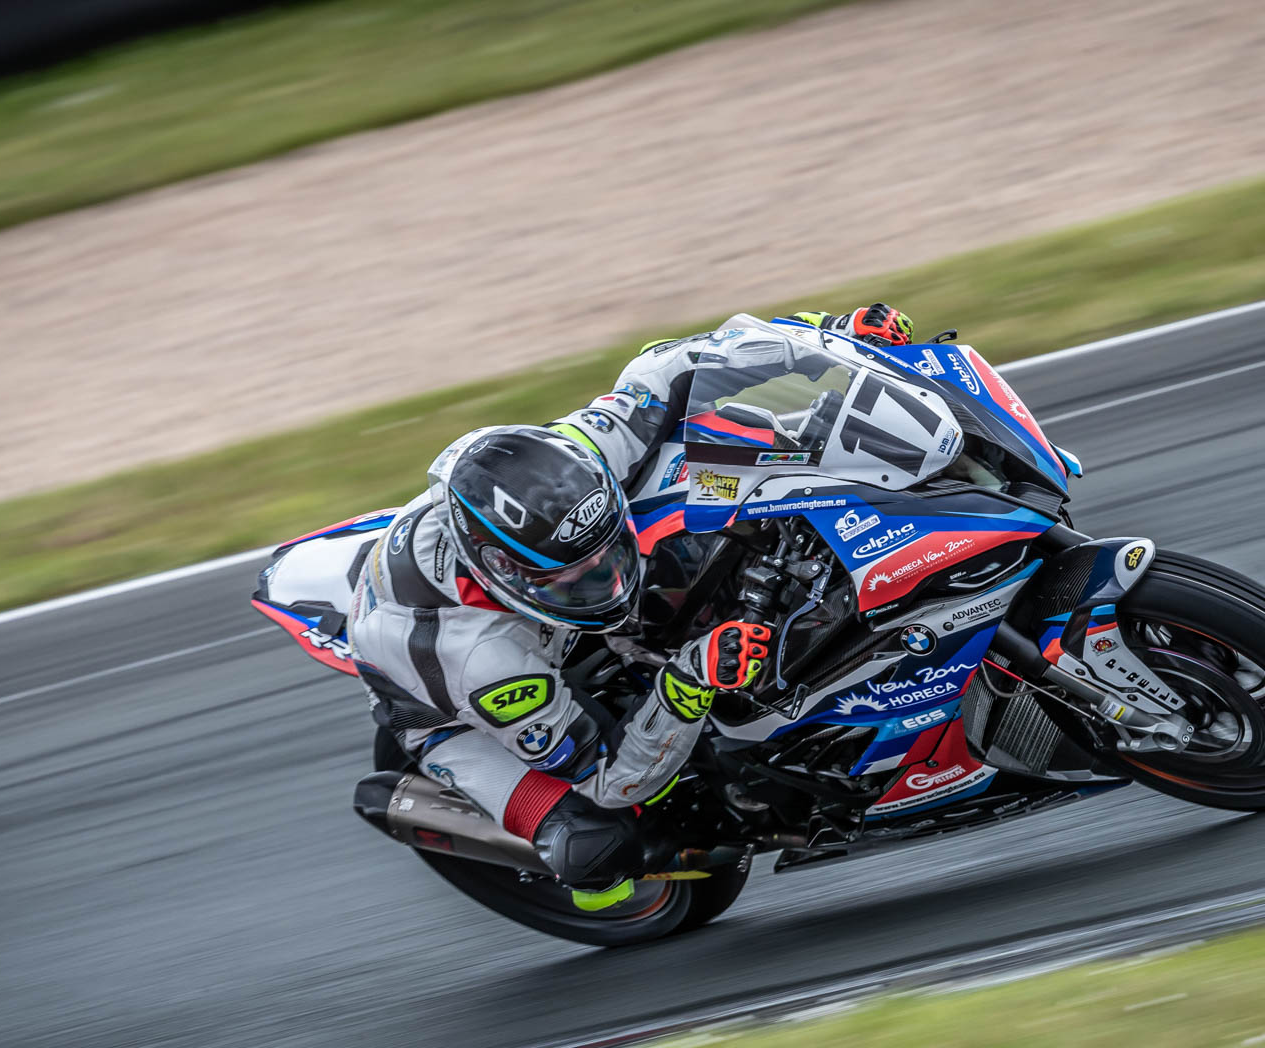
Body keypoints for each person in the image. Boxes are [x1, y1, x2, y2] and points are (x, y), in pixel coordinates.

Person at [346, 305, 914, 909]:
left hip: (530, 605)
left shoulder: (578, 456)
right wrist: (691, 678)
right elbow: (610, 778)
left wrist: (828, 334)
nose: (609, 582)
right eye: (577, 579)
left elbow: (672, 365)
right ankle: (569, 848)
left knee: (718, 467)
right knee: (597, 846)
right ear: (504, 573)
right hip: (445, 707)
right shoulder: (482, 661)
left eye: (608, 556)